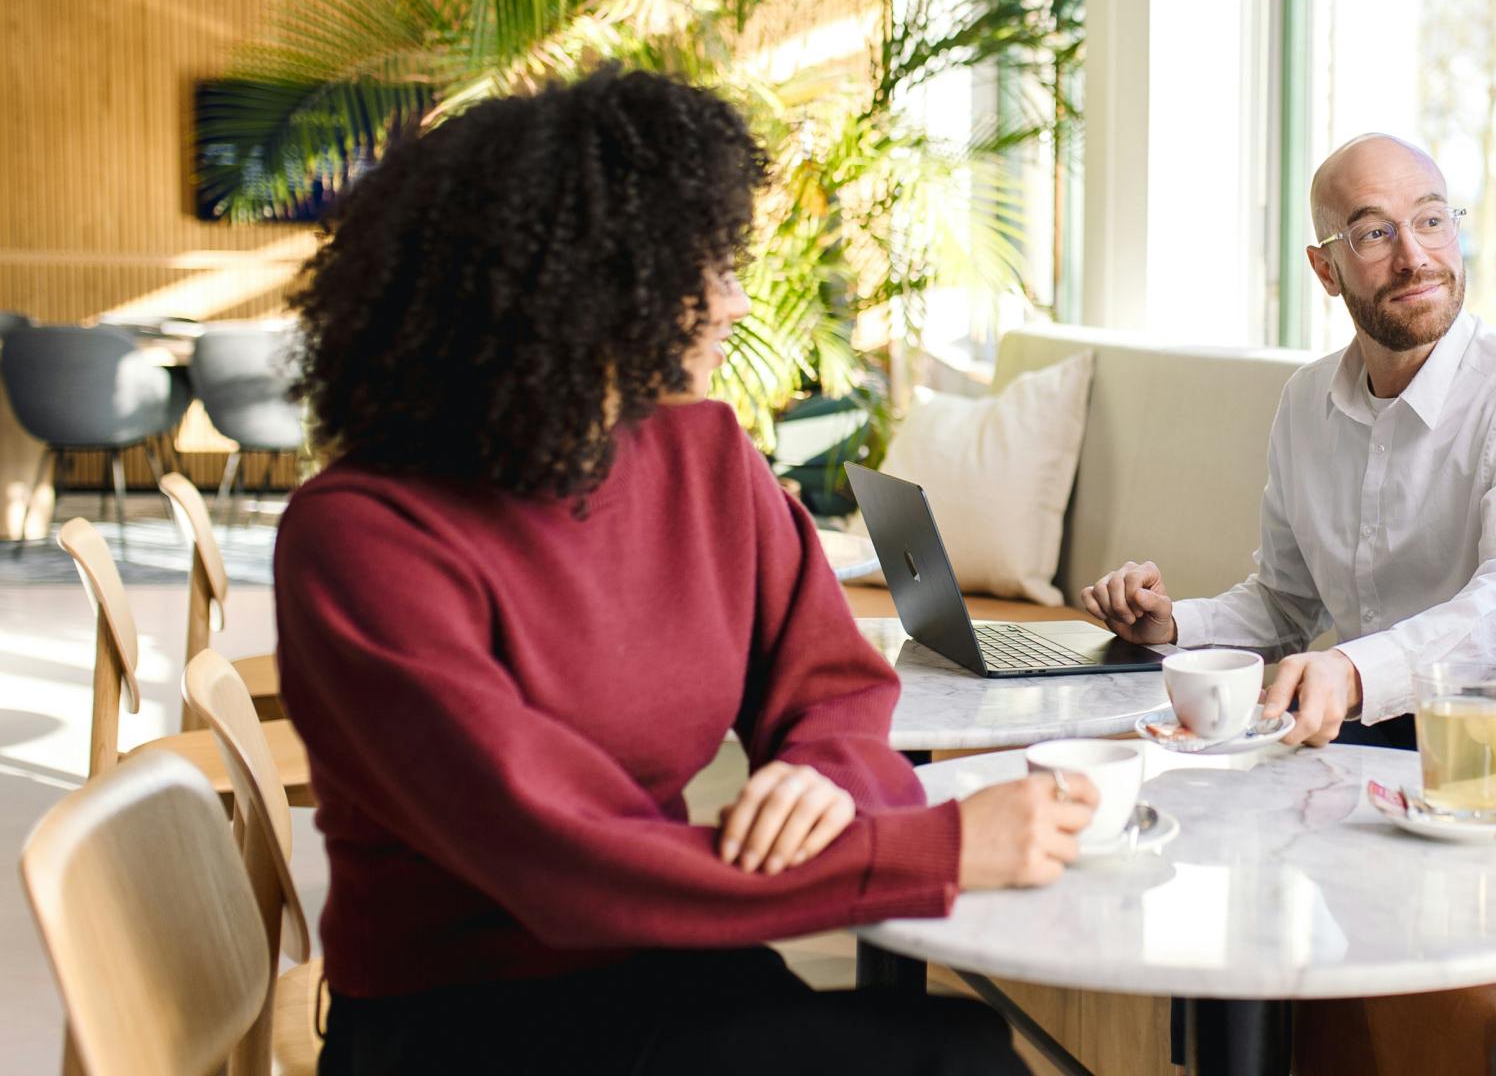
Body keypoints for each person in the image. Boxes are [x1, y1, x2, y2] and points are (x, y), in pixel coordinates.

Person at [274, 68, 1093, 1075]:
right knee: (958, 1062)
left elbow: (831, 682)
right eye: (698, 269)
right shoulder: (364, 538)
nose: (735, 301)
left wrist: (819, 773)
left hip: (667, 956)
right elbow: (558, 859)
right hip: (467, 1018)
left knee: (960, 1045)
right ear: (580, 294)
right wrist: (940, 848)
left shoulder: (705, 454)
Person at [1081, 133, 1496, 747]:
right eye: (1375, 234)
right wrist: (1172, 627)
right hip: (1362, 744)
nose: (1414, 257)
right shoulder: (1308, 402)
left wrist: (1355, 671)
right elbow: (1287, 605)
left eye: (1432, 220)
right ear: (1325, 269)